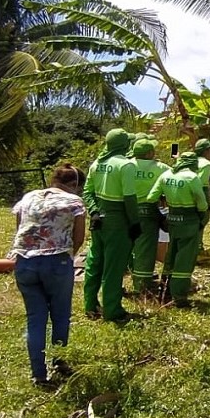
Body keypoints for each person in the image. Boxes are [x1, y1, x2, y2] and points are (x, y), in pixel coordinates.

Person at [9, 164, 86, 387]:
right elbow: (78, 236)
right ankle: (59, 361)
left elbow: (19, 230)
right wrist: (67, 256)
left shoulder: (29, 197)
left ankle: (39, 374)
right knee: (60, 315)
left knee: (35, 318)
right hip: (56, 261)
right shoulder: (74, 202)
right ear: (74, 185)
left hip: (24, 262)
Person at [83, 128, 140, 322]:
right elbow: (130, 198)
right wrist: (135, 222)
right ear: (125, 145)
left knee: (94, 263)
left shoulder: (97, 163)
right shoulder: (126, 166)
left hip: (98, 221)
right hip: (118, 222)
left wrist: (94, 211)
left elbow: (87, 192)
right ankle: (112, 310)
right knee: (113, 268)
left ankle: (90, 305)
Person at [149, 151, 209, 307]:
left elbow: (151, 198)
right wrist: (202, 216)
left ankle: (165, 288)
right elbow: (202, 203)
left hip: (172, 219)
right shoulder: (192, 177)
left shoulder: (166, 175)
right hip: (189, 221)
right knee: (185, 258)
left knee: (171, 254)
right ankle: (179, 295)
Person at [130, 136, 169, 296]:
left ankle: (131, 278)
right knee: (146, 248)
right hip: (148, 211)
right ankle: (143, 286)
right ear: (150, 153)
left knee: (129, 247)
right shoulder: (162, 168)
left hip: (126, 210)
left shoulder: (125, 166)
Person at [193, 138, 210, 267]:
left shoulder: (190, 160)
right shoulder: (205, 163)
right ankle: (198, 249)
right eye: (209, 149)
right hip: (200, 191)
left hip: (188, 193)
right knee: (202, 220)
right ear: (206, 151)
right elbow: (199, 181)